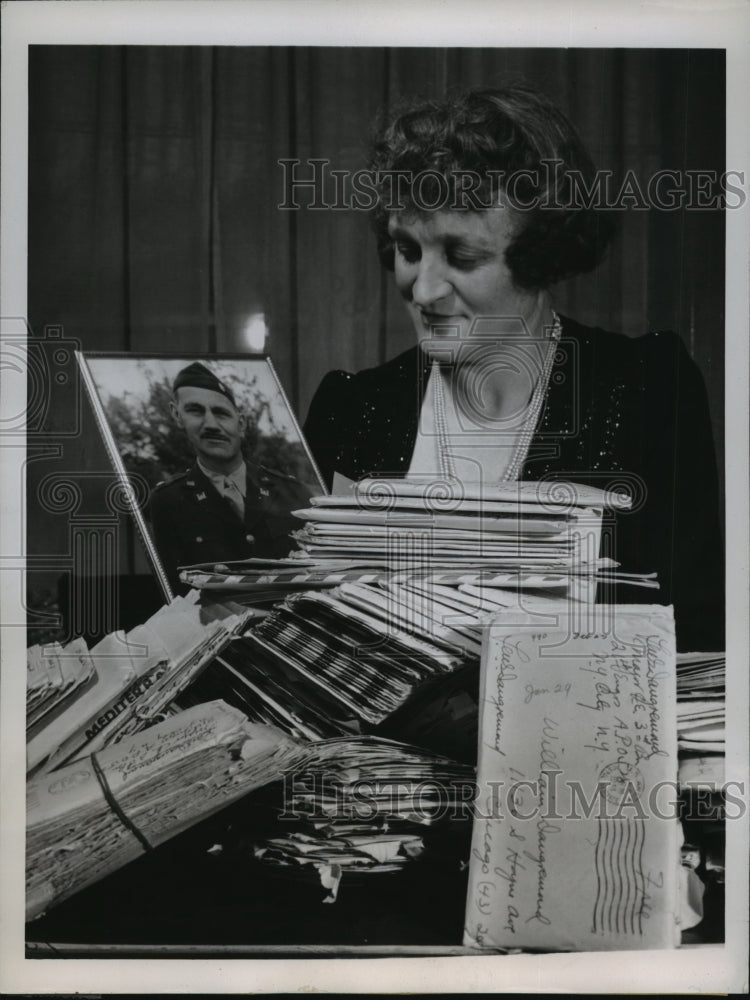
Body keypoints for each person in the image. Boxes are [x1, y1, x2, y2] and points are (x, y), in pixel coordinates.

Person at [303, 85, 724, 650]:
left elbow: (694, 630)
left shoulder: (649, 386)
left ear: (541, 255)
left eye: (463, 256)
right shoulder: (350, 407)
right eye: (407, 250)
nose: (422, 290)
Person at [149, 362, 314, 593]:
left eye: (221, 413)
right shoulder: (168, 501)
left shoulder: (292, 492)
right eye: (195, 411)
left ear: (242, 424)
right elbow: (177, 592)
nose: (211, 424)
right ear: (177, 416)